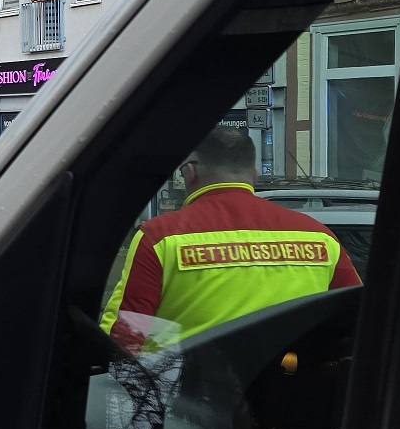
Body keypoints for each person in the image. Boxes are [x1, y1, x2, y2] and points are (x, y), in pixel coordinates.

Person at [101, 124, 360, 353]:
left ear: (190, 172)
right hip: (291, 385)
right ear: (254, 175)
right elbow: (356, 319)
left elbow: (124, 337)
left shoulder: (159, 236)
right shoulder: (318, 235)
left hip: (190, 388)